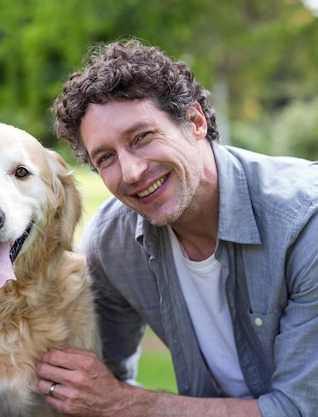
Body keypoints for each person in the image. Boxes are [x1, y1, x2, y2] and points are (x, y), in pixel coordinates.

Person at [36, 39, 318, 416]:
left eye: (142, 137)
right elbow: (96, 387)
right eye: (106, 158)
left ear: (196, 121)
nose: (132, 172)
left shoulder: (304, 222)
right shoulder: (111, 244)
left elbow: (299, 409)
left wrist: (128, 404)